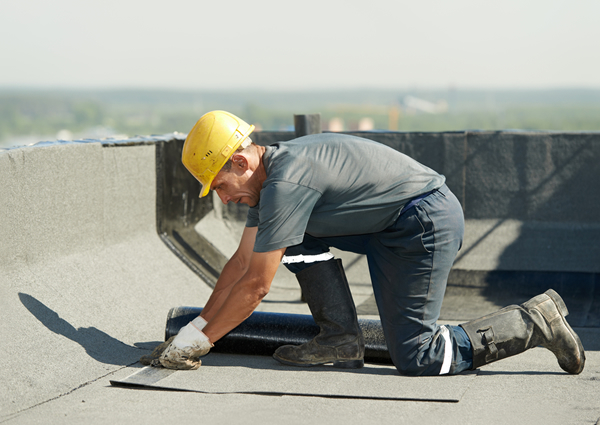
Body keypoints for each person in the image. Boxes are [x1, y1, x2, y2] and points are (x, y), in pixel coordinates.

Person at [142, 110, 585, 376]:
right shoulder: (268, 184)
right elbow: (241, 265)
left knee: (418, 356)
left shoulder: (286, 181)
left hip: (423, 223)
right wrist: (196, 328)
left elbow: (256, 286)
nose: (224, 198)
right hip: (390, 225)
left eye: (221, 185)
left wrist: (199, 344)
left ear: (240, 159)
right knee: (287, 239)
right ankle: (340, 338)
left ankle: (531, 323)